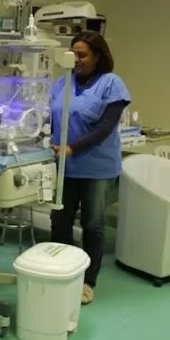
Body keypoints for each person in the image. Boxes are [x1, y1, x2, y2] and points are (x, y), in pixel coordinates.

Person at [48, 30, 131, 306]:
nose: (76, 60)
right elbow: (47, 115)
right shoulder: (63, 82)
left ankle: (87, 281)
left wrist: (73, 147)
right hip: (65, 166)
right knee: (60, 222)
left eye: (82, 55)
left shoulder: (111, 84)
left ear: (97, 56)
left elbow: (106, 127)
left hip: (96, 168)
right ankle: (63, 273)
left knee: (92, 225)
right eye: (73, 54)